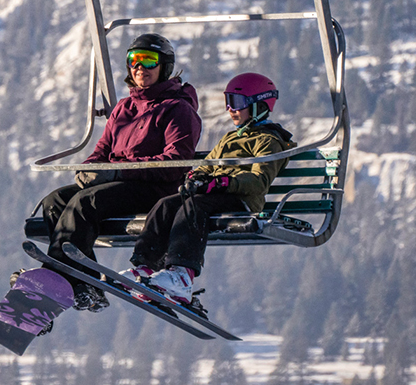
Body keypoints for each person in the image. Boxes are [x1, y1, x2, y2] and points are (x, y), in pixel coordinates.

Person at [37, 33, 202, 312]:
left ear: (165, 67)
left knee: (85, 203)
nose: (140, 68)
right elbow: (102, 149)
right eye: (133, 60)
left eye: (149, 61)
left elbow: (176, 162)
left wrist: (118, 173)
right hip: (119, 184)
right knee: (55, 201)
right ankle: (83, 282)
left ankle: (55, 276)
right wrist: (90, 171)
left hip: (154, 189)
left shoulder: (178, 109)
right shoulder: (125, 108)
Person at [123, 72, 295, 305]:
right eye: (228, 102)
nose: (230, 109)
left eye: (236, 103)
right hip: (215, 195)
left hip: (241, 201)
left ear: (258, 104)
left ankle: (182, 275)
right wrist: (198, 178)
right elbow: (208, 165)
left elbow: (258, 180)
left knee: (194, 206)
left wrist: (223, 183)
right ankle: (145, 265)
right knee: (167, 204)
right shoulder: (229, 138)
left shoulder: (269, 141)